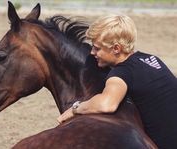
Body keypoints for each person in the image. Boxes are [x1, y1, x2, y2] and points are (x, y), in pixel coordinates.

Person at [57, 14, 177, 149]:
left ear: (116, 49)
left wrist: (75, 109)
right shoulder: (151, 59)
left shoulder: (122, 73)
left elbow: (106, 104)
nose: (92, 52)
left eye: (97, 48)